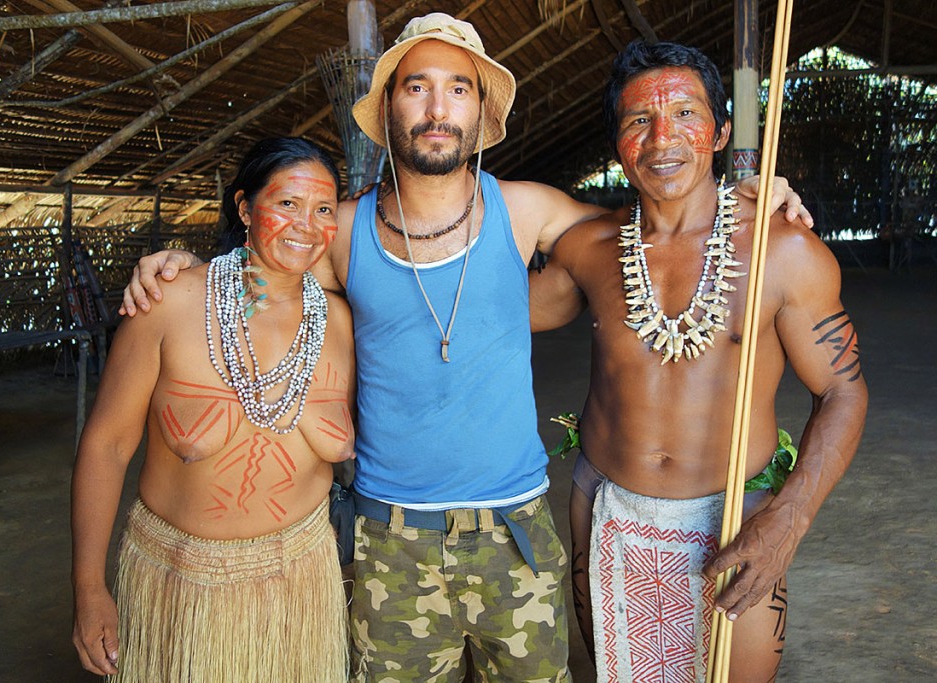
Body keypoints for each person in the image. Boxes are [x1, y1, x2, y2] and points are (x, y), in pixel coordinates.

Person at [118, 14, 810, 681]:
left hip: (518, 528)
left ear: (481, 113)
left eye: (459, 88)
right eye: (417, 87)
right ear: (388, 107)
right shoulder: (345, 233)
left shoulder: (528, 211)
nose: (438, 107)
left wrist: (744, 196)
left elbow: (661, 217)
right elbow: (266, 265)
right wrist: (180, 261)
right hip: (390, 537)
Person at [529, 40, 868, 682]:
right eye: (638, 121)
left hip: (737, 520)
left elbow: (844, 391)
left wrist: (788, 522)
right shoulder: (590, 248)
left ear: (720, 133)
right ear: (616, 143)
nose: (663, 139)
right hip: (607, 513)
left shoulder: (782, 251)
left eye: (685, 113)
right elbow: (484, 317)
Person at [70, 137, 355, 682]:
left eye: (323, 209)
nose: (306, 225)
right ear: (245, 207)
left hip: (304, 583)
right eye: (287, 204)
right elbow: (106, 445)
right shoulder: (169, 303)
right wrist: (87, 589)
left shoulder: (342, 322)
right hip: (180, 582)